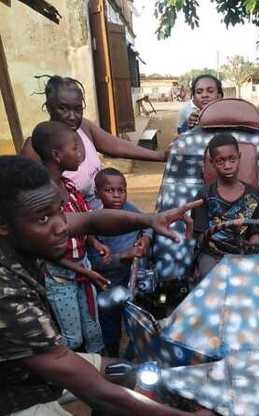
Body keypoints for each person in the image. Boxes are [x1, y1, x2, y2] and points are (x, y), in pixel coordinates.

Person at [0, 155, 223, 416]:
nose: (60, 226)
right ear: (4, 227)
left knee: (122, 370)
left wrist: (149, 219)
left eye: (57, 211)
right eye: (44, 219)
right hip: (11, 403)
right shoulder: (5, 293)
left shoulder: (31, 231)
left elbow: (89, 220)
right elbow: (95, 391)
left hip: (26, 371)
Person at [31, 121, 109, 355]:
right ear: (57, 155)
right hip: (60, 276)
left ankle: (98, 366)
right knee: (72, 337)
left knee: (93, 330)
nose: (80, 154)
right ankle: (68, 371)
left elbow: (84, 220)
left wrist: (94, 242)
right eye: (75, 148)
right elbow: (46, 251)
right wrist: (84, 272)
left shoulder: (69, 186)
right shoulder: (42, 196)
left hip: (82, 267)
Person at [20, 76, 166, 198]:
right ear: (48, 107)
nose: (72, 116)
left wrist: (161, 156)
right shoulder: (36, 147)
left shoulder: (83, 127)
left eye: (78, 109)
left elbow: (117, 146)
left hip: (104, 207)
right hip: (79, 218)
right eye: (63, 108)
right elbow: (34, 204)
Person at [88, 169, 151, 356]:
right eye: (109, 190)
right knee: (110, 320)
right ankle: (113, 355)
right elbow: (96, 263)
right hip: (107, 283)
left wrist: (146, 238)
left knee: (135, 316)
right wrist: (125, 254)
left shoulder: (130, 209)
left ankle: (136, 353)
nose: (116, 195)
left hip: (131, 277)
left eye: (121, 190)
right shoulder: (93, 220)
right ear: (97, 193)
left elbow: (148, 224)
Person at [190, 133, 259, 280]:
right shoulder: (205, 195)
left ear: (239, 157)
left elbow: (256, 231)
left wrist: (253, 246)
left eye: (232, 159)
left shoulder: (252, 194)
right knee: (214, 278)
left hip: (244, 253)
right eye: (220, 161)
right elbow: (200, 236)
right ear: (212, 162)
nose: (227, 166)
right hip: (212, 255)